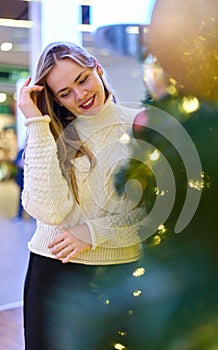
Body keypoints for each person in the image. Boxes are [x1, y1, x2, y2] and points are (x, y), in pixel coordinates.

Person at [18, 41, 146, 350]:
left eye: (82, 79)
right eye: (65, 93)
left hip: (120, 273)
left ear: (97, 69)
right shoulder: (50, 135)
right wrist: (35, 122)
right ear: (56, 100)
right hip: (53, 273)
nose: (81, 95)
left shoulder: (140, 126)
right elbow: (47, 210)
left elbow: (153, 213)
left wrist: (93, 232)